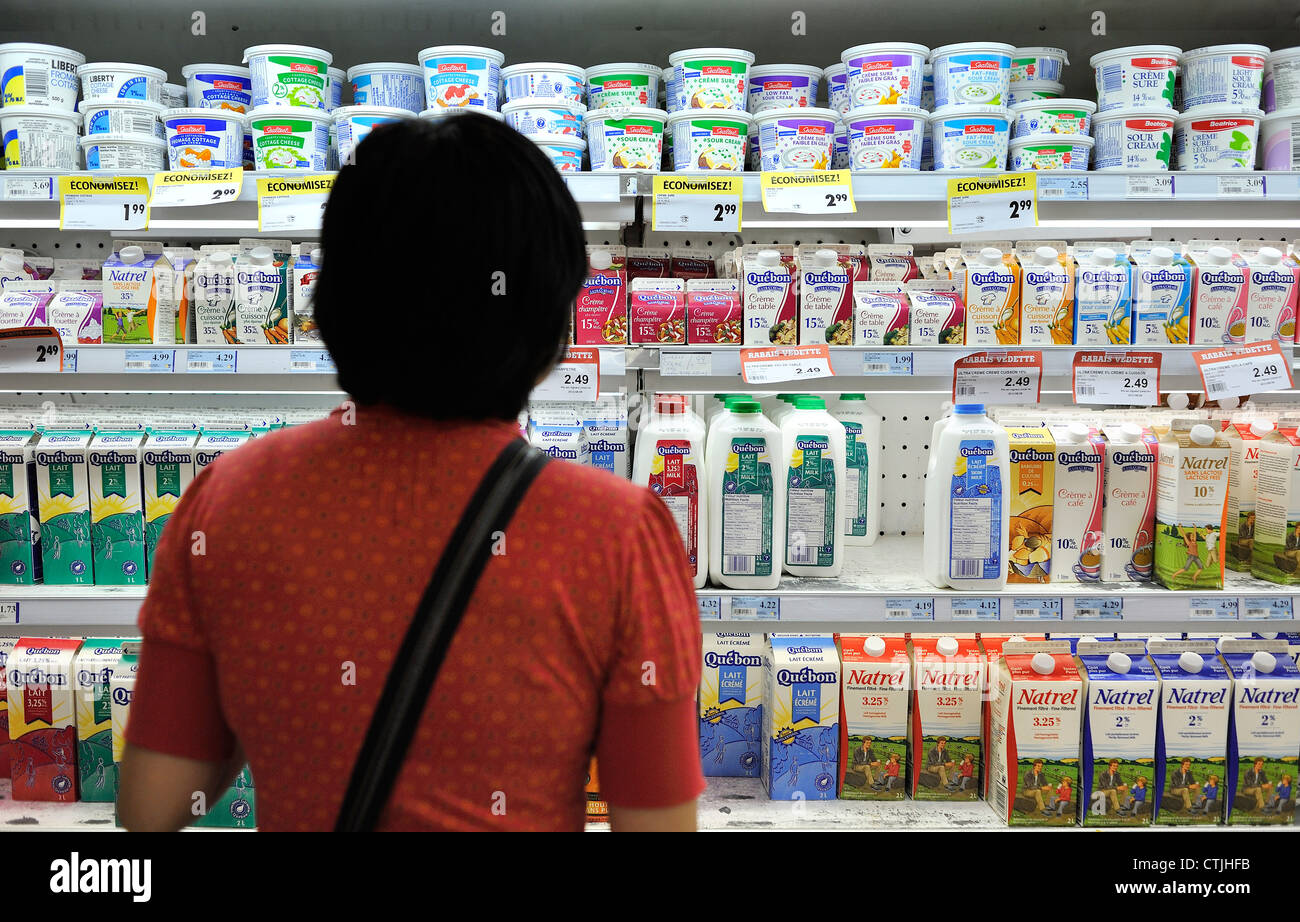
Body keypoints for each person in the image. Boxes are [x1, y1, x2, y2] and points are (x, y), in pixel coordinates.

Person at [116, 116, 704, 832]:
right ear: (550, 327)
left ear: (333, 304)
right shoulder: (616, 533)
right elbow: (657, 821)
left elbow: (152, 810)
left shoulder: (229, 500)